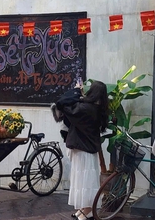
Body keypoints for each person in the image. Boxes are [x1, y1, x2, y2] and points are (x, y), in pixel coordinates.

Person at [55, 81, 109, 220]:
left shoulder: (85, 108)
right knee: (86, 181)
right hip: (87, 149)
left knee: (84, 181)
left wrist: (76, 91)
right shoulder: (96, 109)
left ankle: (87, 210)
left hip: (82, 149)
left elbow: (61, 103)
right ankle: (86, 209)